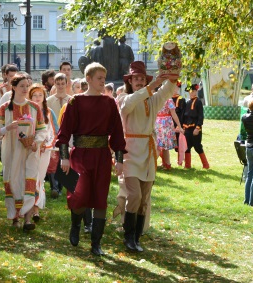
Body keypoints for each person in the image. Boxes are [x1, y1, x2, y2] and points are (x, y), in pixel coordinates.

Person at [56, 62, 126, 256]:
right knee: (79, 195)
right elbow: (64, 132)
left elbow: (118, 134)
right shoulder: (75, 102)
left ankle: (96, 243)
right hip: (80, 155)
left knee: (100, 198)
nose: (103, 82)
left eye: (104, 78)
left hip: (102, 156)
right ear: (88, 79)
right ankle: (75, 225)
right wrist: (64, 157)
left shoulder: (110, 103)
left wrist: (119, 159)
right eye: (99, 78)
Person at [117, 60, 178, 252]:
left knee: (144, 198)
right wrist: (152, 86)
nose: (139, 81)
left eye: (142, 78)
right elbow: (129, 104)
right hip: (129, 151)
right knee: (133, 194)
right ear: (130, 80)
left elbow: (167, 91)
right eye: (136, 78)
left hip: (148, 152)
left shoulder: (152, 100)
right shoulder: (123, 98)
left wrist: (172, 73)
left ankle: (136, 237)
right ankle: (128, 236)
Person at [0, 74, 47, 231]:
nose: (25, 89)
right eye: (22, 86)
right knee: (14, 181)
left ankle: (28, 219)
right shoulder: (4, 108)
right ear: (14, 87)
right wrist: (7, 128)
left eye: (27, 86)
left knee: (29, 181)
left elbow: (42, 130)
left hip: (30, 153)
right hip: (11, 152)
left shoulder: (34, 107)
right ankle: (15, 217)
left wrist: (35, 143)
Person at [28, 84, 59, 222]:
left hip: (44, 150)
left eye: (40, 95)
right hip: (29, 149)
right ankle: (28, 208)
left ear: (44, 97)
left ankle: (36, 209)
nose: (38, 98)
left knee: (39, 178)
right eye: (35, 95)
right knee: (30, 178)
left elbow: (52, 132)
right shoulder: (27, 110)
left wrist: (46, 146)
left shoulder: (48, 112)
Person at [182, 83, 209, 169]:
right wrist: (183, 127)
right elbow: (185, 116)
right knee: (187, 147)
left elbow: (200, 116)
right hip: (187, 128)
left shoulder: (198, 102)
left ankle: (205, 165)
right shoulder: (188, 102)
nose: (193, 93)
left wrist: (198, 127)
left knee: (197, 146)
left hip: (195, 128)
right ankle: (187, 165)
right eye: (191, 91)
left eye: (194, 91)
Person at [155, 98, 184, 169]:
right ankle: (150, 165)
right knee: (161, 146)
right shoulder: (168, 100)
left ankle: (167, 164)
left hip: (157, 122)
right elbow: (173, 114)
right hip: (166, 123)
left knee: (161, 145)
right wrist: (179, 126)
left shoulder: (156, 98)